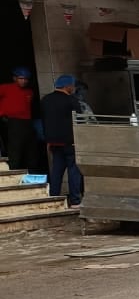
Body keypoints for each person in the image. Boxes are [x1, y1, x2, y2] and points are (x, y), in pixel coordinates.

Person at [40, 74, 87, 207]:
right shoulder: (71, 100)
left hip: (54, 143)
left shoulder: (45, 100)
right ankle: (75, 201)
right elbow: (79, 120)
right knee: (74, 171)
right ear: (68, 87)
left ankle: (53, 198)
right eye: (72, 86)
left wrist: (48, 141)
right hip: (70, 142)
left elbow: (44, 121)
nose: (73, 88)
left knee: (56, 171)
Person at [0, 66, 37, 172]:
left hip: (27, 123)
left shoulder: (29, 92)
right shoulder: (5, 88)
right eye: (21, 78)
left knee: (30, 150)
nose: (24, 81)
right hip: (11, 122)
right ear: (14, 78)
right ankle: (13, 172)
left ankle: (31, 173)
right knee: (15, 150)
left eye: (26, 79)